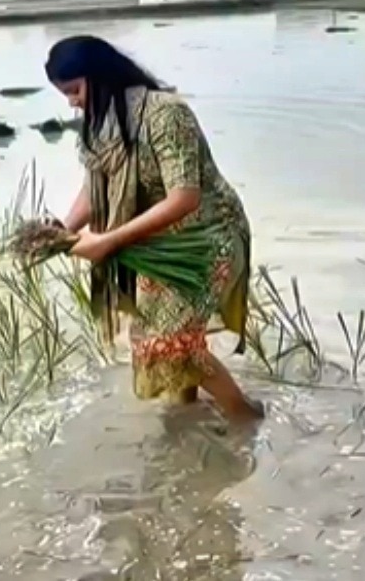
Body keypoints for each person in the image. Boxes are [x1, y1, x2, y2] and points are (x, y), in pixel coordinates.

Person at [43, 35, 263, 425]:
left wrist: (108, 240)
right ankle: (189, 415)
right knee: (155, 338)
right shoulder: (101, 126)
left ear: (100, 77)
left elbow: (185, 198)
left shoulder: (166, 114)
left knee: (172, 343)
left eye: (75, 90)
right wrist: (61, 230)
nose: (72, 102)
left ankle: (245, 419)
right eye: (66, 95)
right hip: (158, 244)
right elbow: (95, 187)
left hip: (208, 237)